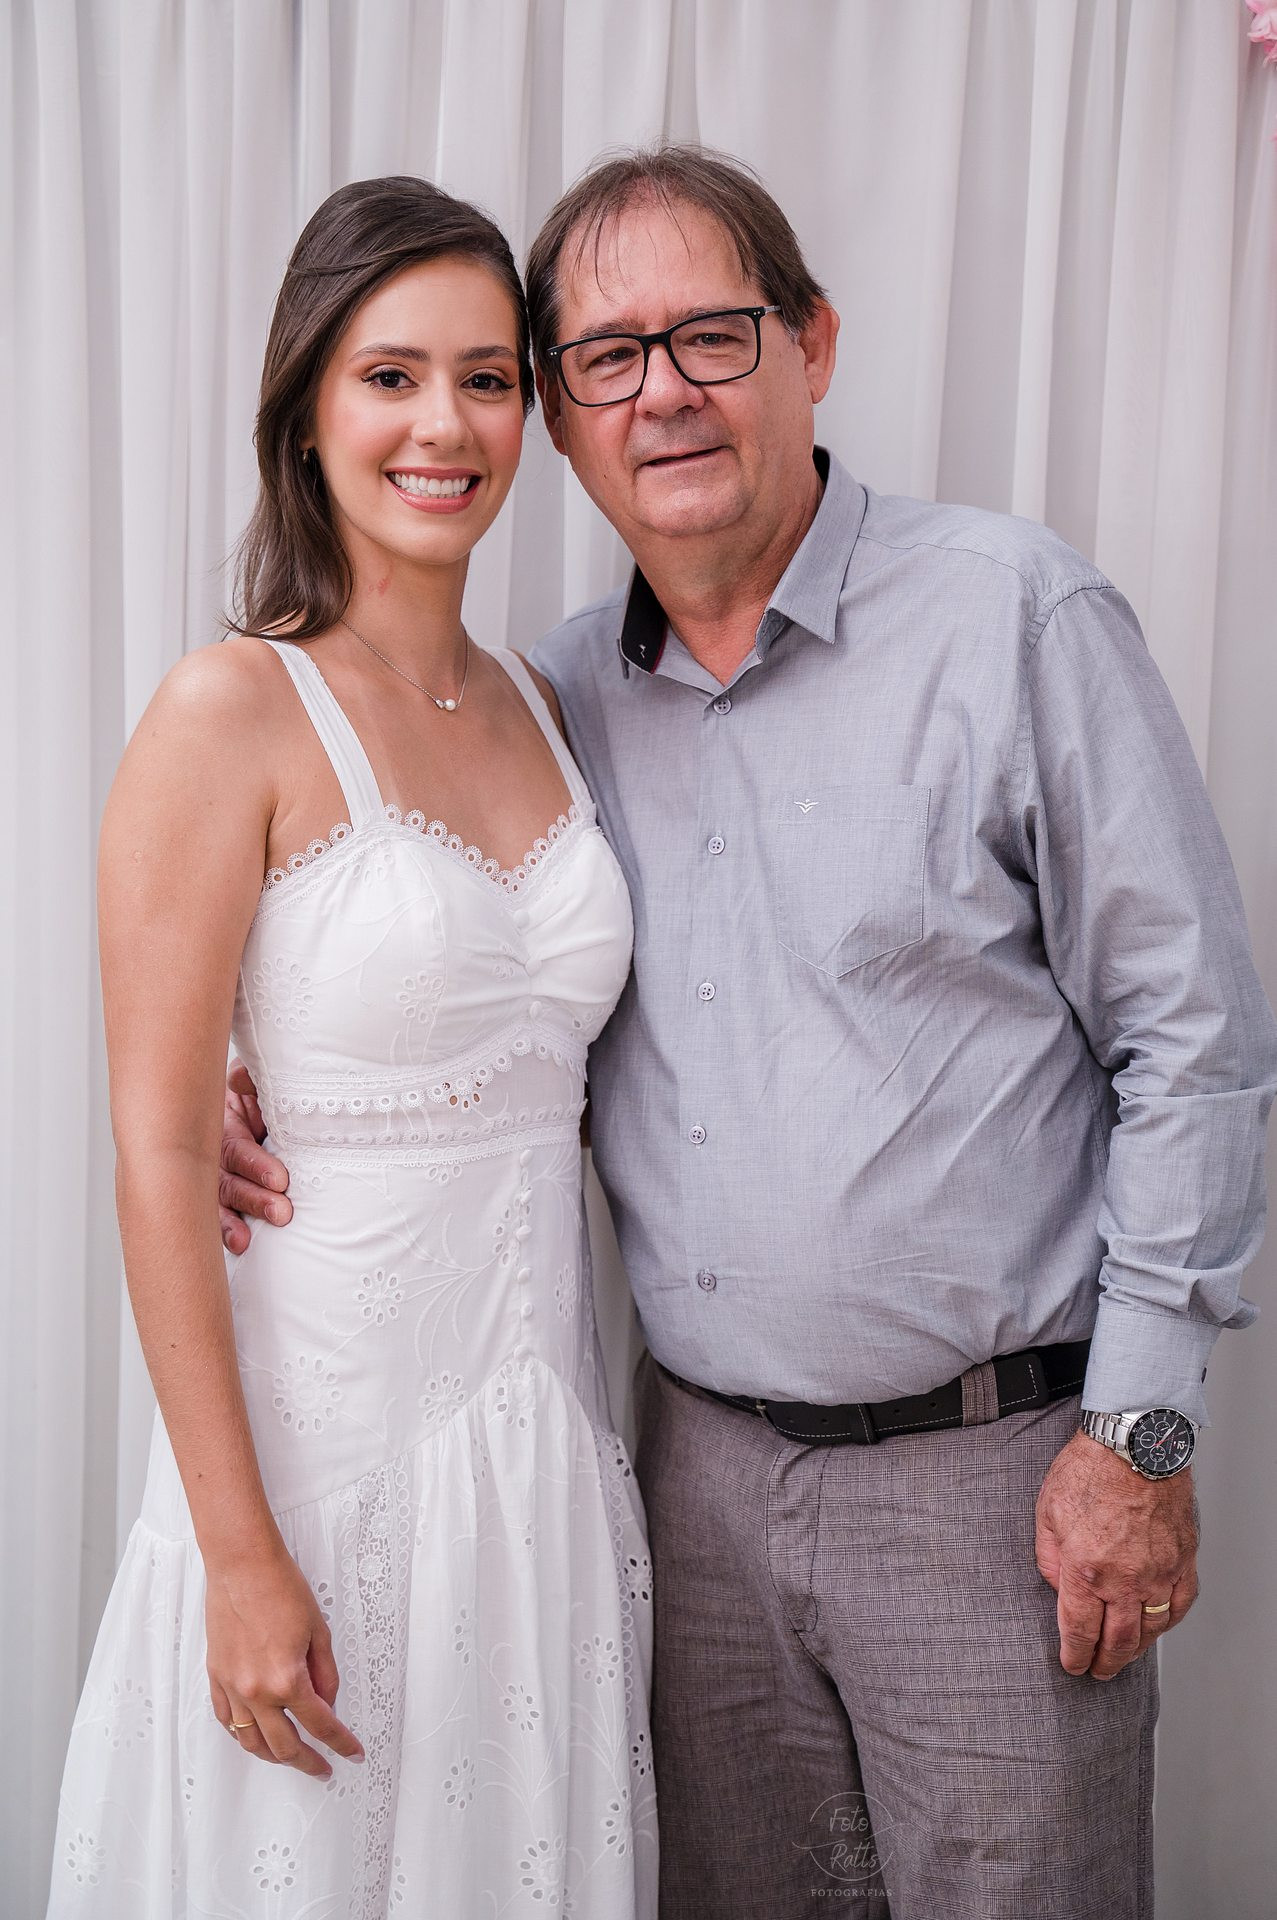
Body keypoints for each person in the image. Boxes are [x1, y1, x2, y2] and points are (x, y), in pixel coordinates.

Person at [220, 148, 1277, 1920]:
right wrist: (279, 1085)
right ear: (561, 420)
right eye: (604, 357)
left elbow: (1195, 1042)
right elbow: (478, 993)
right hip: (682, 1492)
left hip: (998, 1486)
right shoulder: (549, 703)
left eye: (709, 336)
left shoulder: (1013, 617)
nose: (664, 392)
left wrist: (1140, 1440)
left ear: (812, 345)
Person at [48, 176, 656, 1919]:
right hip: (313, 1466)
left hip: (535, 1456)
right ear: (306, 411)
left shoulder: (549, 699)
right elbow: (160, 1152)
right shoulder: (225, 709)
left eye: (486, 378)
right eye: (391, 377)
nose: (442, 426)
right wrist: (239, 1554)